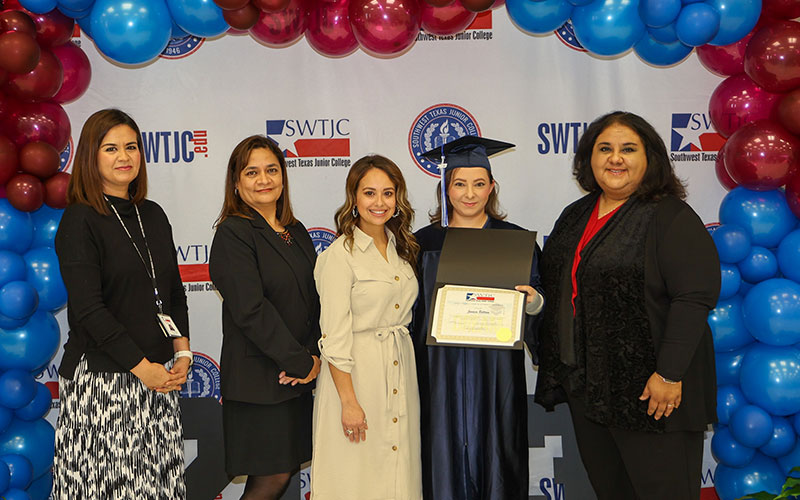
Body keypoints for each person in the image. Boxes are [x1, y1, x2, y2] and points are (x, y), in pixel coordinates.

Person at [535, 111, 720, 500]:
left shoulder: (669, 216)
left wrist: (668, 375)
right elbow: (560, 288)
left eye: (628, 149)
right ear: (589, 159)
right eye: (605, 149)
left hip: (652, 397)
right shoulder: (575, 216)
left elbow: (694, 298)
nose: (615, 158)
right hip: (591, 393)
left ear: (649, 158)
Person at [53, 109, 190, 499]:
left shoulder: (153, 214)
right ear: (91, 157)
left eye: (131, 146)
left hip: (159, 377)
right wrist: (141, 368)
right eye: (110, 148)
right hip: (103, 383)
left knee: (157, 489)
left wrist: (182, 354)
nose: (123, 156)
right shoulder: (80, 220)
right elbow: (89, 309)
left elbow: (174, 293)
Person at [412, 136, 545, 500]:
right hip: (438, 374)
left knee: (499, 458)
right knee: (438, 461)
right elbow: (408, 314)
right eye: (459, 183)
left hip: (497, 374)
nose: (469, 194)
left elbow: (540, 311)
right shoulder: (422, 244)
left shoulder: (514, 242)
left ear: (491, 188)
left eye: (479, 184)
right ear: (446, 188)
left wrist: (534, 304)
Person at [209, 135, 321, 500]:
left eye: (272, 170)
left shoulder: (296, 231)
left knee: (284, 473)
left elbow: (314, 301)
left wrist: (312, 357)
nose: (264, 179)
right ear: (237, 183)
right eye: (252, 172)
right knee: (270, 479)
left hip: (295, 376)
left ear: (283, 177)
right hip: (261, 381)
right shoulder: (233, 233)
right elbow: (250, 310)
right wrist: (300, 361)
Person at [310, 155, 421, 499]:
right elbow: (334, 335)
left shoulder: (403, 248)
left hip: (400, 368)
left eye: (388, 193)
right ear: (354, 198)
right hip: (357, 377)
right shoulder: (339, 255)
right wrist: (349, 402)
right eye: (369, 193)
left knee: (398, 470)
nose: (380, 202)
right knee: (355, 477)